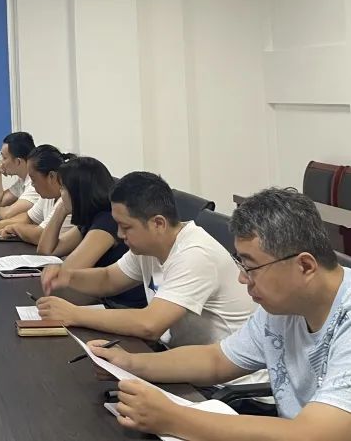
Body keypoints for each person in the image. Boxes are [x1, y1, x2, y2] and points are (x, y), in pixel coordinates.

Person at [89, 188, 351, 440]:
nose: (242, 278)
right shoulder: (284, 307)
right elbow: (216, 360)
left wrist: (173, 418)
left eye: (250, 267)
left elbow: (312, 434)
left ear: (305, 266)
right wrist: (131, 363)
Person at [38, 172, 256, 349]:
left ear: (158, 224)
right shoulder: (149, 247)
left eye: (126, 227)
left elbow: (150, 324)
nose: (120, 235)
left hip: (225, 383)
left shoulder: (196, 254)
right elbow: (108, 278)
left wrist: (74, 314)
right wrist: (68, 276)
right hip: (181, 360)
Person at [36, 156, 146, 308]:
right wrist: (61, 210)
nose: (60, 195)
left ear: (77, 192)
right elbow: (46, 250)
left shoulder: (107, 220)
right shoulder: (91, 218)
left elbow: (68, 271)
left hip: (121, 306)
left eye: (63, 189)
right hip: (106, 301)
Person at [0, 144, 72, 243]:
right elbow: (29, 218)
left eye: (34, 179)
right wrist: (0, 224)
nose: (32, 184)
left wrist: (13, 228)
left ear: (51, 176)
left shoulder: (67, 199)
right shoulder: (48, 195)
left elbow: (41, 235)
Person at [0, 131, 40, 220]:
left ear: (18, 161)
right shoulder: (22, 180)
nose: (1, 163)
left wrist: (0, 210)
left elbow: (7, 214)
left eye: (4, 158)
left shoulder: (35, 183)